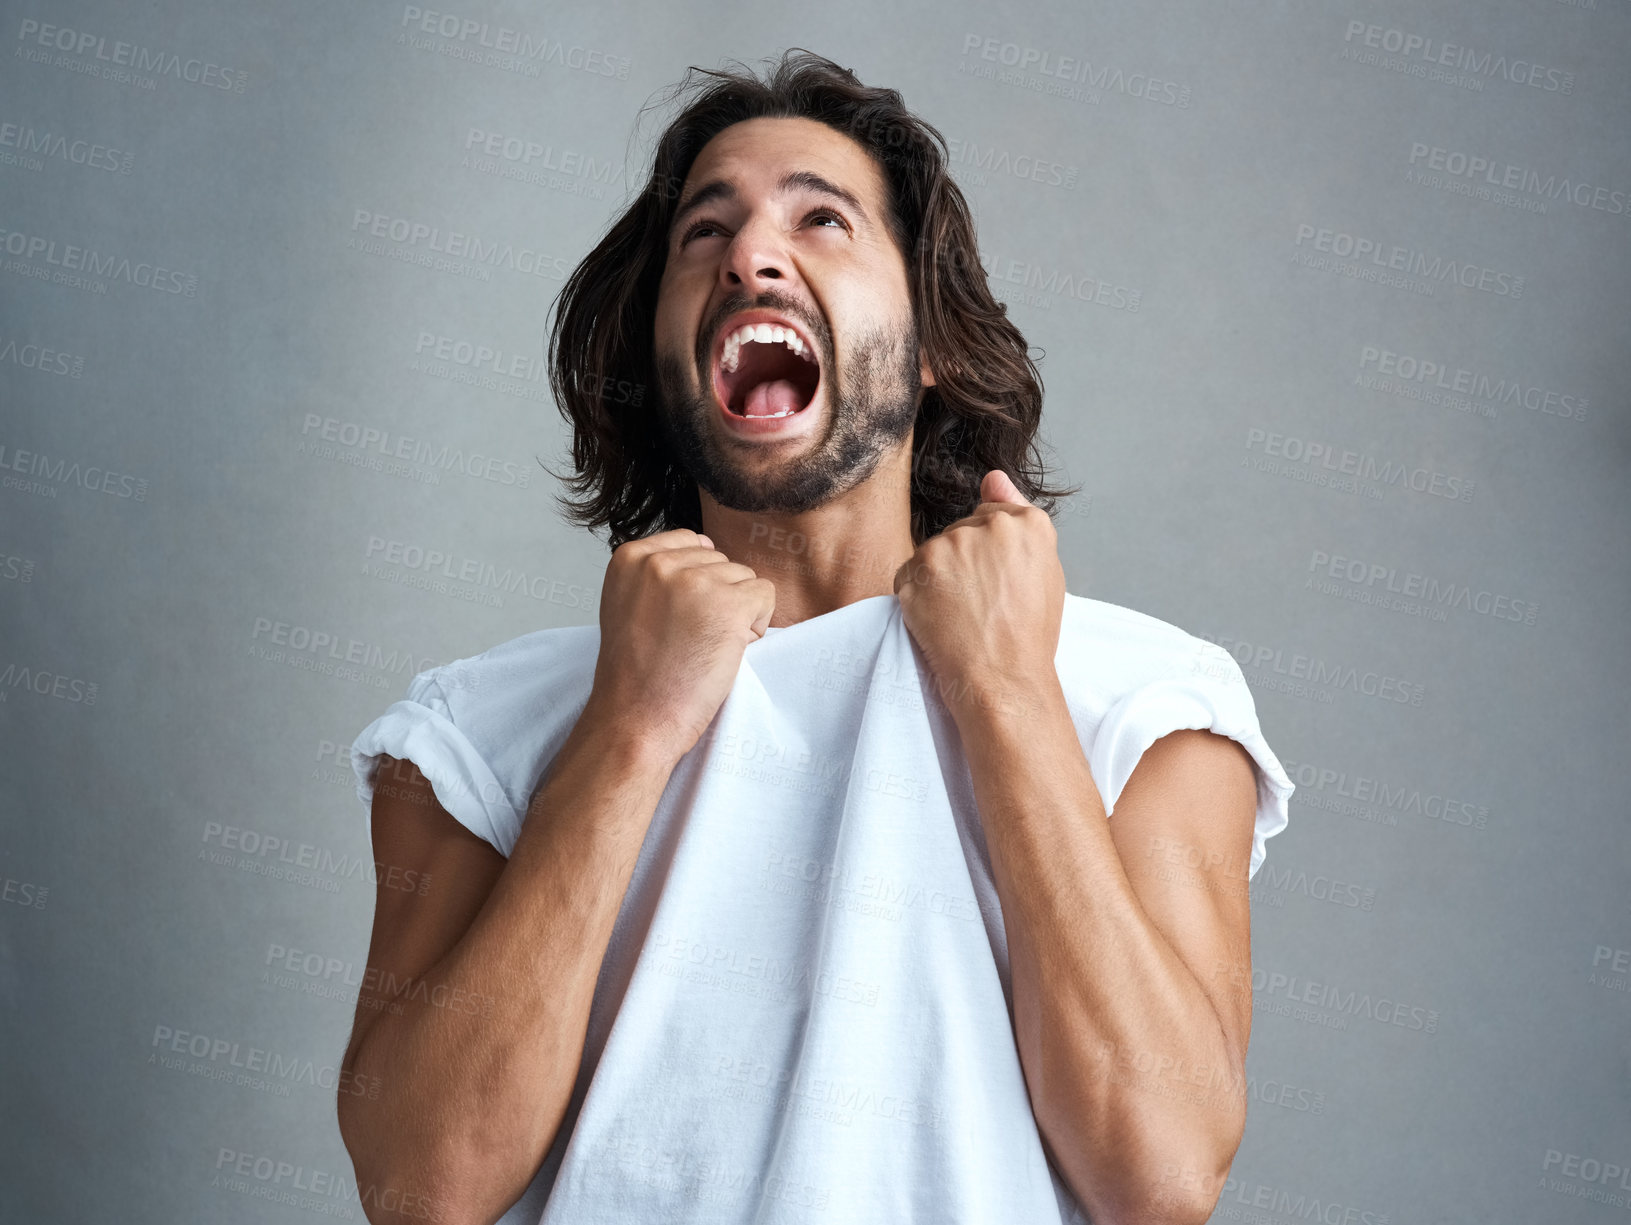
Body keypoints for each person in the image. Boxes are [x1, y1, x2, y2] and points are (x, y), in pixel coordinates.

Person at [340, 49, 1293, 1225]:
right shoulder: (473, 734)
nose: (748, 254)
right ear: (658, 348)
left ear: (930, 337)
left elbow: (1157, 1173)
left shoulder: (1145, 702)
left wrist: (1004, 692)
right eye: (705, 233)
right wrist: (628, 733)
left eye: (823, 219)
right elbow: (415, 1187)